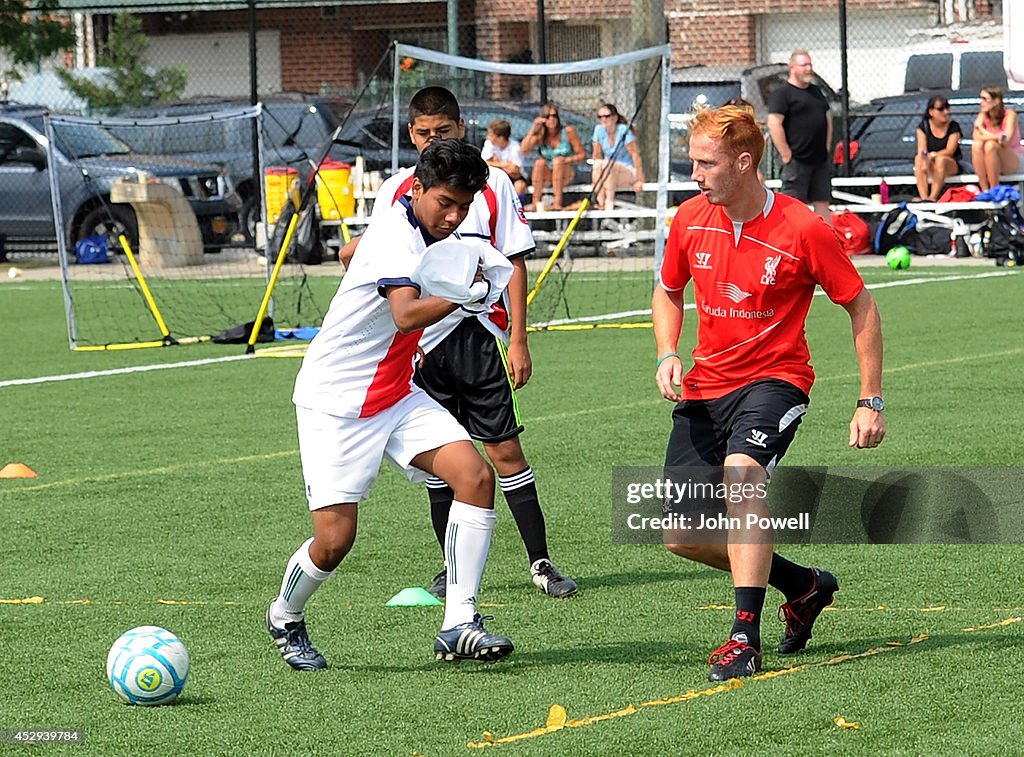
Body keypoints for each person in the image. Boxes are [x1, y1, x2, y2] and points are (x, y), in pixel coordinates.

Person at [653, 105, 886, 682]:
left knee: (741, 478)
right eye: (693, 161)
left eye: (706, 163)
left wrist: (870, 398)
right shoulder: (688, 220)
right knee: (681, 536)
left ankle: (742, 637)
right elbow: (666, 291)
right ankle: (804, 586)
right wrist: (667, 351)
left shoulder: (804, 227)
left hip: (776, 381)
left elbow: (861, 305)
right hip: (706, 388)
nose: (695, 173)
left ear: (744, 162)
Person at [267, 140, 516, 671]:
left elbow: (348, 253)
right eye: (445, 203)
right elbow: (405, 315)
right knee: (334, 541)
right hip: (336, 401)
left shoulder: (412, 215)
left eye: (464, 206)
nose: (453, 217)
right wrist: (469, 296)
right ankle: (285, 614)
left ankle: (459, 623)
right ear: (418, 190)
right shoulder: (396, 238)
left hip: (398, 392)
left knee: (474, 475)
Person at [341, 87, 577, 601]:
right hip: (421, 342)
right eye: (423, 133)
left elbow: (514, 259)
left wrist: (518, 337)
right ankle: (451, 572)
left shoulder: (491, 184)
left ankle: (541, 562)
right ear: (411, 135)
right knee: (439, 465)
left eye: (442, 132)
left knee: (504, 450)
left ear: (460, 128)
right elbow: (362, 257)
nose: (432, 141)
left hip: (477, 336)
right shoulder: (398, 190)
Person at [767, 50, 833, 222]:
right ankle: (794, 244)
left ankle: (825, 244)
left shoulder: (816, 92)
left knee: (822, 202)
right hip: (796, 161)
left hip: (819, 159)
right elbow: (774, 123)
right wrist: (786, 155)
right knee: (794, 204)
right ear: (793, 68)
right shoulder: (782, 94)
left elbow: (827, 118)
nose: (809, 69)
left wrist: (826, 147)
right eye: (804, 65)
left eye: (810, 64)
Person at [520, 102, 586, 210]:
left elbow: (582, 155)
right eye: (547, 116)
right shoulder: (541, 135)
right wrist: (533, 130)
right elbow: (523, 150)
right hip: (548, 174)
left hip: (566, 171)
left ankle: (557, 203)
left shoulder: (568, 131)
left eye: (554, 116)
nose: (551, 119)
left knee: (557, 162)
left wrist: (566, 160)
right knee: (539, 163)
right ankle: (535, 202)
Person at [590, 103, 645, 210]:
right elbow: (596, 155)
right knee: (598, 164)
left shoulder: (623, 130)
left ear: (614, 118)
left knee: (606, 164)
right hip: (608, 172)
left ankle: (609, 202)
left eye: (607, 116)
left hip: (627, 171)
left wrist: (640, 179)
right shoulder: (598, 130)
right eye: (600, 117)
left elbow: (635, 154)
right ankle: (600, 200)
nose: (603, 119)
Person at [971, 86, 1023, 192]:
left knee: (990, 145)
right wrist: (997, 137)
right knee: (977, 145)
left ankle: (994, 189)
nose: (981, 102)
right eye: (980, 98)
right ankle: (985, 189)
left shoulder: (1010, 115)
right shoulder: (982, 115)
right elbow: (976, 137)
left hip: (1014, 158)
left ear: (996, 101)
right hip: (993, 159)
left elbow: (1005, 141)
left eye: (985, 99)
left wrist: (982, 129)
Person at [913, 95, 964, 201]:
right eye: (941, 109)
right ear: (931, 112)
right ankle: (924, 198)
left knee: (941, 160)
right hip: (930, 163)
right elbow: (922, 150)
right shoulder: (923, 127)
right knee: (919, 159)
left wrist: (933, 155)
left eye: (947, 108)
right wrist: (926, 158)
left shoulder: (954, 126)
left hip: (950, 164)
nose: (946, 112)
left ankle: (932, 198)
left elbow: (950, 151)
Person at [482, 119, 528, 198]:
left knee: (520, 186)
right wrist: (505, 164)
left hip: (513, 178)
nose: (488, 137)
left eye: (491, 135)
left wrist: (495, 163)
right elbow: (484, 163)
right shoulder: (489, 144)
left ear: (501, 138)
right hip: (495, 175)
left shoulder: (515, 147)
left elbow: (516, 171)